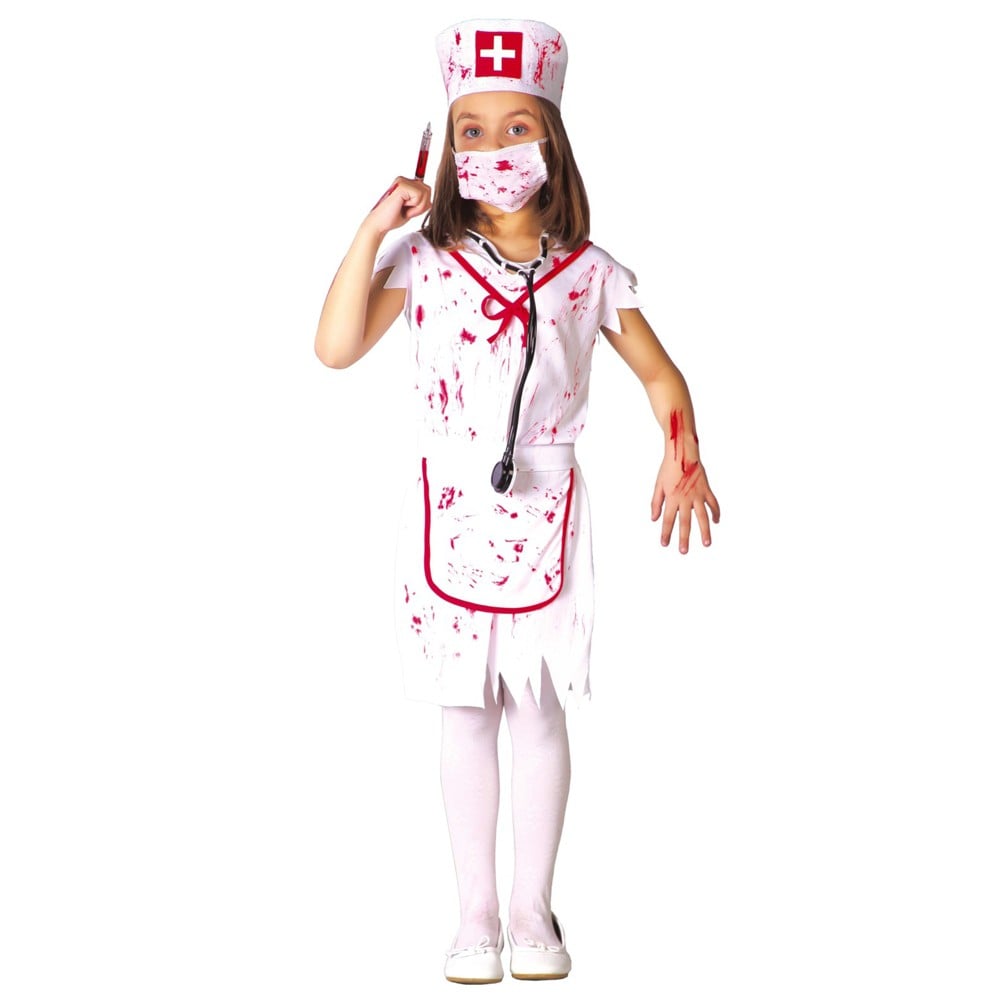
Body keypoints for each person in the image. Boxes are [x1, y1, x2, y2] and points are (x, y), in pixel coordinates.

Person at [315, 18, 720, 985]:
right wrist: (374, 229)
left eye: (516, 128)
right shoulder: (424, 263)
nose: (494, 149)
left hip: (548, 507)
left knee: (537, 705)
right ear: (445, 148)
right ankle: (475, 916)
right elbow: (335, 347)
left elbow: (661, 375)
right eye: (472, 131)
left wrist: (684, 451)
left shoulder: (589, 273)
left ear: (553, 140)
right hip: (450, 507)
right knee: (463, 712)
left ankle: (534, 912)